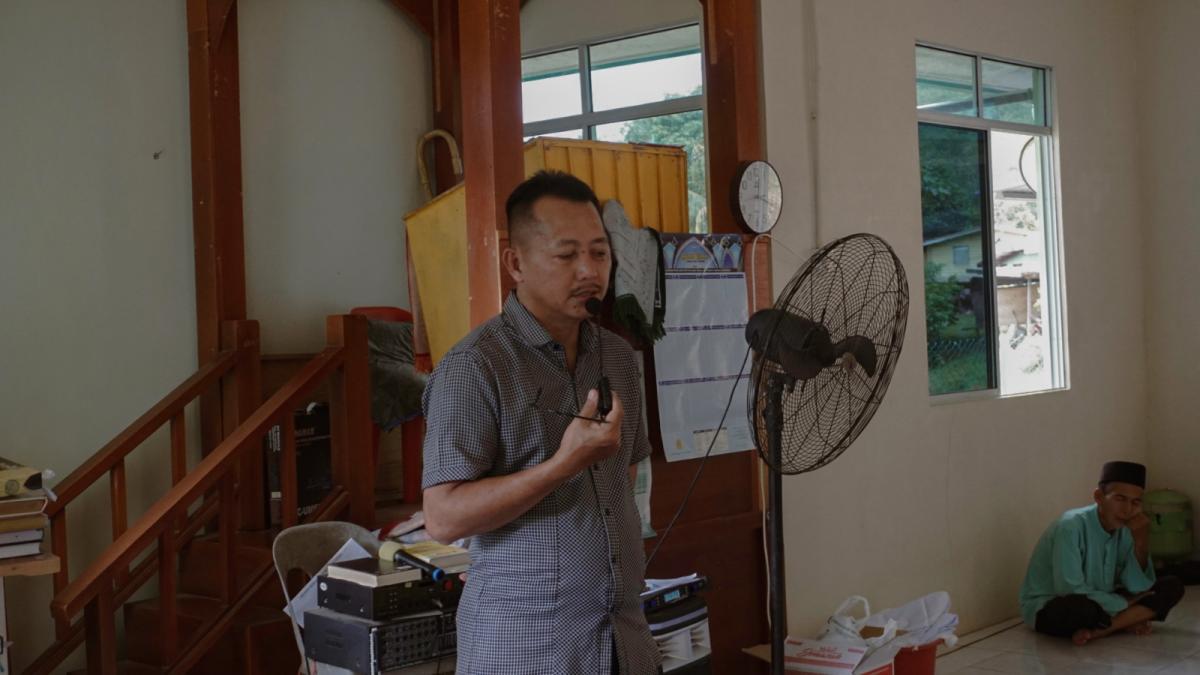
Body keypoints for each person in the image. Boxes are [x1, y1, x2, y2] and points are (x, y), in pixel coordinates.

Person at [420, 170, 660, 674]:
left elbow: (624, 480)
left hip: (623, 640)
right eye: (567, 255)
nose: (589, 271)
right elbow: (443, 518)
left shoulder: (618, 357)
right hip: (526, 649)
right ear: (516, 263)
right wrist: (562, 465)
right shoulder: (476, 366)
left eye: (599, 253)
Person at [1019, 461, 1185, 645]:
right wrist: (1123, 603)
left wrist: (1142, 541)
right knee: (1080, 609)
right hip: (1055, 602)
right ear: (1099, 497)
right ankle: (1126, 620)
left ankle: (1102, 630)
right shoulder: (1071, 526)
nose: (1127, 510)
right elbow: (1068, 589)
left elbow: (1138, 588)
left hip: (1104, 597)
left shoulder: (1128, 526)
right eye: (1120, 499)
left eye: (1135, 502)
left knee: (1172, 585)